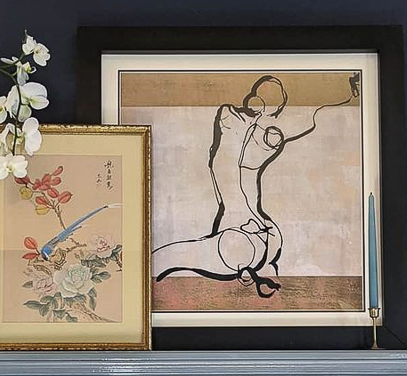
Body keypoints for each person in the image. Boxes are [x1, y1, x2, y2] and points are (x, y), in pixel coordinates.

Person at [152, 74, 354, 299]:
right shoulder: (250, 127)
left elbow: (311, 115)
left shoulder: (251, 126)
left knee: (172, 255)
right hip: (251, 237)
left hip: (248, 237)